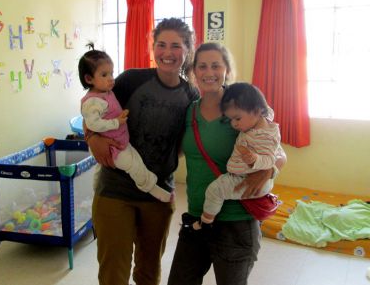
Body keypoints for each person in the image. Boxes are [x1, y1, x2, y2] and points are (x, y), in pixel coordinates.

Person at [85, 18, 199, 285]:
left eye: (176, 46)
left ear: (187, 50)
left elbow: (189, 139)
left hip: (158, 196)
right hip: (115, 191)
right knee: (114, 272)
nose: (167, 53)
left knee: (149, 271)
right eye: (161, 45)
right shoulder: (130, 80)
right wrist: (92, 138)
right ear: (153, 47)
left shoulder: (191, 94)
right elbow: (92, 110)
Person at [167, 42, 286, 285]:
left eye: (215, 65)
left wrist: (268, 171)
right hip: (198, 219)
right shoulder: (189, 112)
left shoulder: (246, 110)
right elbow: (174, 149)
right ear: (193, 71)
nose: (208, 72)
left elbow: (279, 154)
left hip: (236, 222)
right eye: (202, 66)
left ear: (226, 71)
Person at [78, 43, 171, 202]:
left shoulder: (106, 92)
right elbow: (91, 123)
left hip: (121, 141)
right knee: (134, 166)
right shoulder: (94, 100)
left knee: (134, 162)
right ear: (89, 79)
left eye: (112, 73)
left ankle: (97, 188)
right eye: (104, 75)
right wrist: (116, 122)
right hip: (113, 147)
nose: (111, 79)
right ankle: (152, 188)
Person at [196, 82, 282, 226]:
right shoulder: (261, 117)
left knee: (215, 190)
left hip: (247, 178)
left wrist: (255, 159)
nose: (234, 124)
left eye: (237, 118)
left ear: (257, 111)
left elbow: (270, 158)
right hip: (246, 175)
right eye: (230, 119)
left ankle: (205, 220)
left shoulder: (263, 136)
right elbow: (266, 109)